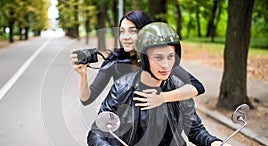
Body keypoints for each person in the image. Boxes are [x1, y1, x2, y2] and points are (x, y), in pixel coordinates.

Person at [87, 22, 233, 146]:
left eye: (170, 56)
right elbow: (96, 134)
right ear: (143, 58)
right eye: (158, 57)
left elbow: (194, 129)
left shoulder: (178, 89)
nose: (166, 64)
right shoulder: (122, 88)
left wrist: (215, 143)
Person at [70, 10, 205, 110]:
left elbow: (197, 87)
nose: (125, 37)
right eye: (122, 31)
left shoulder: (157, 59)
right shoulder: (115, 60)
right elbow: (87, 99)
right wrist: (82, 75)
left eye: (133, 31)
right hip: (126, 131)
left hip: (159, 127)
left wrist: (163, 98)